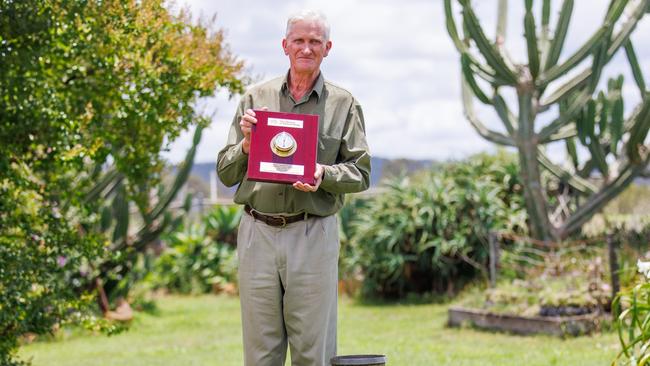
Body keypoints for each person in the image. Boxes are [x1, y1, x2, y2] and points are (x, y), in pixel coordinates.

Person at [217, 9, 370, 366]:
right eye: (299, 40)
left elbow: (361, 173)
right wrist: (245, 145)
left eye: (315, 41)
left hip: (312, 233)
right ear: (284, 45)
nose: (306, 48)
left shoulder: (344, 104)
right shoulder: (254, 99)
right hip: (257, 234)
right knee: (260, 354)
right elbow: (226, 173)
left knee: (312, 353)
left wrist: (323, 174)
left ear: (327, 47)